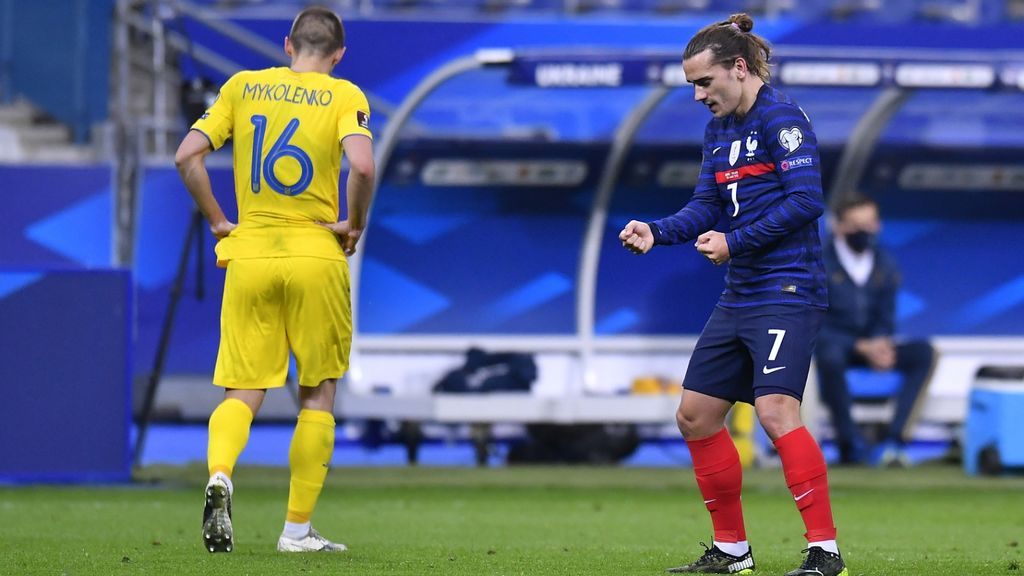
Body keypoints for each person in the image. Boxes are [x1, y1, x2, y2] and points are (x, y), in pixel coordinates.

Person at [619, 13, 847, 576]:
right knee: (695, 415)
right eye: (692, 85)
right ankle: (731, 552)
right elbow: (706, 206)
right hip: (742, 291)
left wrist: (735, 241)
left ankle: (825, 551)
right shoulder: (720, 130)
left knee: (775, 411)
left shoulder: (782, 118)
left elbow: (806, 202)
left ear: (738, 69)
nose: (698, 95)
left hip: (788, 287)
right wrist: (659, 230)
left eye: (704, 82)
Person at [174, 6, 375, 554]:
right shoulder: (344, 96)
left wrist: (219, 220)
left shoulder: (242, 87)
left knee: (244, 390)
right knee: (317, 391)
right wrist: (353, 225)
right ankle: (295, 531)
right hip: (316, 253)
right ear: (338, 54)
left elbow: (187, 155)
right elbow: (361, 167)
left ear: (288, 45)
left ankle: (220, 474)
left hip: (252, 253)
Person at [816, 194, 936, 466]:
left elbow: (886, 315)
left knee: (924, 353)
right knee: (830, 356)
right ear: (839, 226)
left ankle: (894, 441)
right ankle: (850, 445)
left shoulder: (885, 262)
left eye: (869, 224)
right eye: (856, 225)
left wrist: (880, 343)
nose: (864, 232)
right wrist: (859, 345)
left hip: (871, 345)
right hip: (832, 345)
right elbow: (811, 321)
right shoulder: (818, 261)